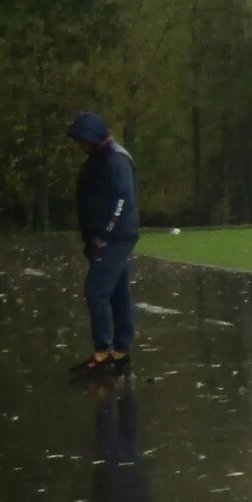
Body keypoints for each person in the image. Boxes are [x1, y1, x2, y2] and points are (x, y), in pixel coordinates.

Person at [68, 112, 140, 377]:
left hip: (115, 237)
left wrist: (105, 234)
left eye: (83, 140)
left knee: (96, 292)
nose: (81, 146)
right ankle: (120, 352)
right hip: (107, 236)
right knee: (118, 293)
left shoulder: (116, 160)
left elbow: (122, 201)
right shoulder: (99, 159)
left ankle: (103, 353)